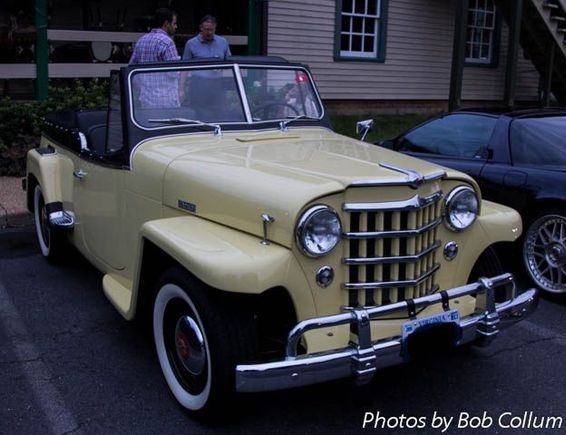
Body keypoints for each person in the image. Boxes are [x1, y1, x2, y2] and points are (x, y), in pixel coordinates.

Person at [129, 8, 181, 109]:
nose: (176, 26)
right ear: (166, 23)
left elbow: (131, 70)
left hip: (145, 99)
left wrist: (142, 88)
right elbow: (174, 72)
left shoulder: (141, 40)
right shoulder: (167, 42)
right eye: (174, 23)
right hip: (166, 100)